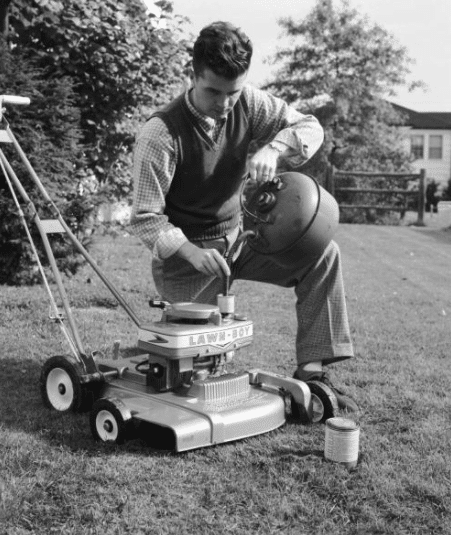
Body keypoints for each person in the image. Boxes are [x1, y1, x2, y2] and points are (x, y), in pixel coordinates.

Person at [129, 21, 358, 412]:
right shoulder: (160, 133)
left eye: (232, 92)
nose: (223, 104)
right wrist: (188, 251)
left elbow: (309, 126)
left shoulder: (249, 103)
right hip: (187, 262)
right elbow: (146, 217)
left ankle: (312, 372)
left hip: (239, 241)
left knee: (324, 254)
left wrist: (276, 148)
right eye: (212, 92)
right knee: (191, 380)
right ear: (193, 76)